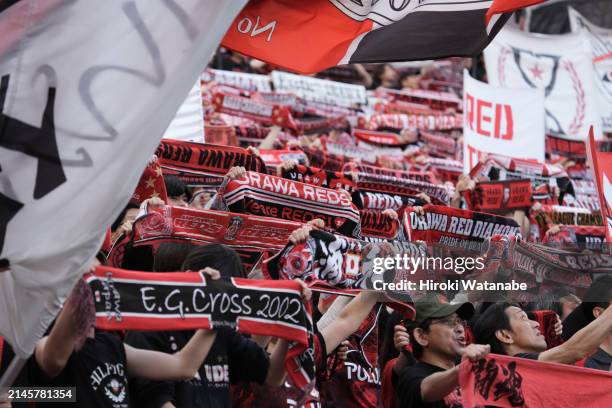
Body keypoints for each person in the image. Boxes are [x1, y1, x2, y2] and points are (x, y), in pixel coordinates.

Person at [125, 244, 301, 408]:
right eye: (216, 290)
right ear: (188, 276)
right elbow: (155, 399)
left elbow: (272, 376)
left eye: (229, 294)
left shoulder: (222, 330)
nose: (222, 300)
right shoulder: (151, 329)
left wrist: (288, 327)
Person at [30, 267, 219, 408]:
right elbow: (53, 360)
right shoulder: (42, 343)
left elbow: (183, 366)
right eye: (90, 279)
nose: (97, 288)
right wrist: (79, 292)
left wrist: (216, 315)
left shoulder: (111, 346)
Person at [396, 296, 490, 408]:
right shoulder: (410, 376)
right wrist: (462, 369)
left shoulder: (475, 375)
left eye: (461, 322)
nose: (460, 329)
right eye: (449, 322)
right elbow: (425, 390)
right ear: (422, 336)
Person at [472, 296, 612, 365]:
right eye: (523, 318)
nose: (537, 324)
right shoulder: (514, 365)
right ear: (505, 335)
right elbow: (574, 350)